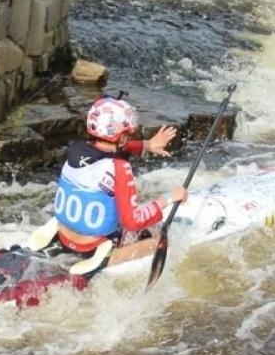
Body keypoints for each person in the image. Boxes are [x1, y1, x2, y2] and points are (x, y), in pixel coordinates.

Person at [53, 97, 185, 255]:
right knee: (164, 240)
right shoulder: (120, 167)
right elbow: (133, 222)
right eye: (127, 135)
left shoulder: (75, 150)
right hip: (94, 249)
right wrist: (169, 198)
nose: (129, 138)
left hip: (64, 237)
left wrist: (147, 145)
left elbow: (108, 148)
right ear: (122, 137)